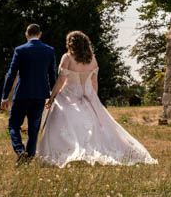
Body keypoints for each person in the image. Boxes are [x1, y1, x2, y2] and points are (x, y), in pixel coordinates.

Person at [36, 30, 157, 167]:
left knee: (61, 119)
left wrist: (52, 97)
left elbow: (61, 80)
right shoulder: (92, 59)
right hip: (88, 95)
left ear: (70, 44)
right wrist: (94, 99)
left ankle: (67, 150)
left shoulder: (67, 58)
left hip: (69, 95)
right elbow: (94, 82)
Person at [0, 23, 57, 163]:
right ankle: (29, 157)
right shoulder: (49, 51)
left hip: (22, 94)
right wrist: (52, 95)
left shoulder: (20, 50)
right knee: (34, 128)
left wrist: (5, 96)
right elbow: (52, 75)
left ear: (26, 34)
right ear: (40, 34)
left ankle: (20, 150)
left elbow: (12, 73)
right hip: (40, 95)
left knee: (13, 124)